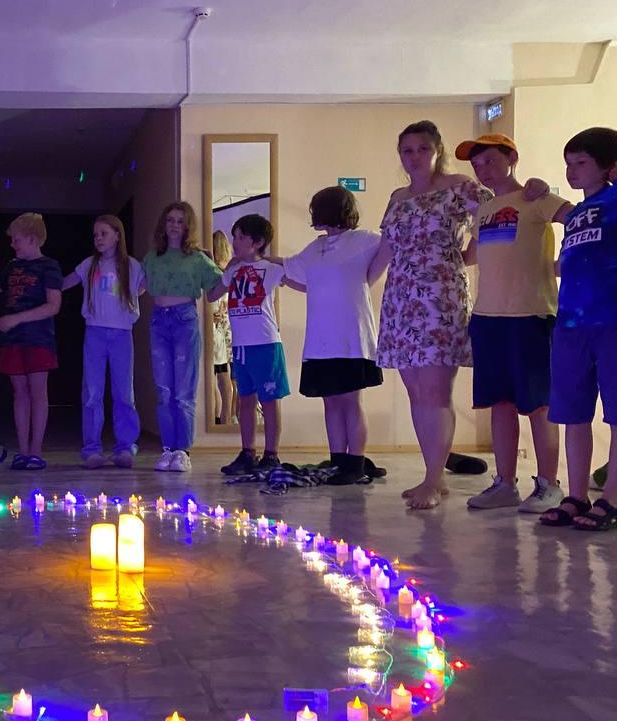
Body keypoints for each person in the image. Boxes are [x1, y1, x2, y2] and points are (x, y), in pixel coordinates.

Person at [370, 121, 490, 509]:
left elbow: (495, 215)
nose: (415, 157)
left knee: (436, 390)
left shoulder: (460, 186)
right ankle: (432, 475)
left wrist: (470, 254)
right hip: (401, 299)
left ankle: (434, 479)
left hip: (440, 297)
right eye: (407, 150)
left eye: (423, 149)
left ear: (438, 150)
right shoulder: (398, 197)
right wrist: (356, 284)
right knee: (417, 392)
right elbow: (387, 248)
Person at [539, 128, 617, 531]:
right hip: (570, 325)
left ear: (608, 165)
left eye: (581, 163)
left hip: (616, 321)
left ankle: (613, 501)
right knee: (573, 413)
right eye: (568, 164)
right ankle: (577, 495)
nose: (572, 171)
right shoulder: (577, 214)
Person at [459, 134, 568, 513]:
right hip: (487, 318)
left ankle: (549, 485)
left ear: (512, 159)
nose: (483, 169)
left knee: (539, 404)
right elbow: (469, 256)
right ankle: (505, 484)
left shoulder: (536, 198)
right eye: (477, 165)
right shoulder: (484, 210)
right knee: (499, 403)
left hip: (531, 315)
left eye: (490, 160)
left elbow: (578, 219)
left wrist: (565, 263)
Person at [278, 186, 384, 484]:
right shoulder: (315, 249)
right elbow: (290, 267)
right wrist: (255, 260)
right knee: (331, 402)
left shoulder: (363, 240)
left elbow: (393, 244)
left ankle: (356, 463)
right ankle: (339, 459)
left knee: (350, 401)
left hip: (351, 338)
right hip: (320, 341)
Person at [142, 201, 222, 472]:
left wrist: (229, 271)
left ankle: (183, 450)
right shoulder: (152, 258)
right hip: (159, 321)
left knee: (184, 391)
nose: (174, 225)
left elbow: (215, 289)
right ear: (163, 225)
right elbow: (138, 286)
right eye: (170, 220)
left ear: (187, 226)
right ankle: (168, 448)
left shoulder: (197, 259)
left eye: (180, 221)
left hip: (184, 320)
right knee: (164, 390)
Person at [61, 215, 146, 468]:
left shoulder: (132, 266)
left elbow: (148, 286)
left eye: (104, 233)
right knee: (92, 392)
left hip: (122, 334)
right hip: (95, 334)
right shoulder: (89, 265)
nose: (98, 238)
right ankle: (91, 449)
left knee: (124, 393)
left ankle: (125, 447)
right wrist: (44, 282)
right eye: (95, 234)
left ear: (117, 235)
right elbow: (65, 282)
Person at [207, 215, 287, 475]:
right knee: (245, 399)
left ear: (258, 242)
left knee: (270, 400)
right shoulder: (233, 269)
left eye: (241, 237)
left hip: (266, 343)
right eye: (235, 236)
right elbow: (212, 295)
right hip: (241, 346)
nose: (235, 242)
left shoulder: (271, 269)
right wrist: (226, 268)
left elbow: (299, 277)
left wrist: (273, 260)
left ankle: (272, 454)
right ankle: (247, 452)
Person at [0, 212, 62, 470]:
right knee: (19, 393)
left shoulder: (49, 266)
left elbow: (53, 305)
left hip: (38, 338)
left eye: (16, 239)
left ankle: (36, 451)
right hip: (13, 340)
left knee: (38, 392)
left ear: (32, 239)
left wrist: (16, 319)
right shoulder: (13, 266)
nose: (12, 244)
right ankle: (23, 450)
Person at [210, 230, 236, 424]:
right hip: (226, 328)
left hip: (217, 330)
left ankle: (220, 418)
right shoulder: (228, 272)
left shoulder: (217, 274)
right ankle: (225, 417)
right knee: (224, 374)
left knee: (218, 375)